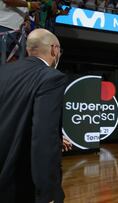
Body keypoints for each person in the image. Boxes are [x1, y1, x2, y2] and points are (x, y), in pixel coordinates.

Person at [0, 28, 66, 203]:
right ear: (54, 49)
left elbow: (15, 115)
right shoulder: (52, 77)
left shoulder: (3, 71)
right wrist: (48, 192)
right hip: (21, 185)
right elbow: (43, 136)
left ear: (29, 49)